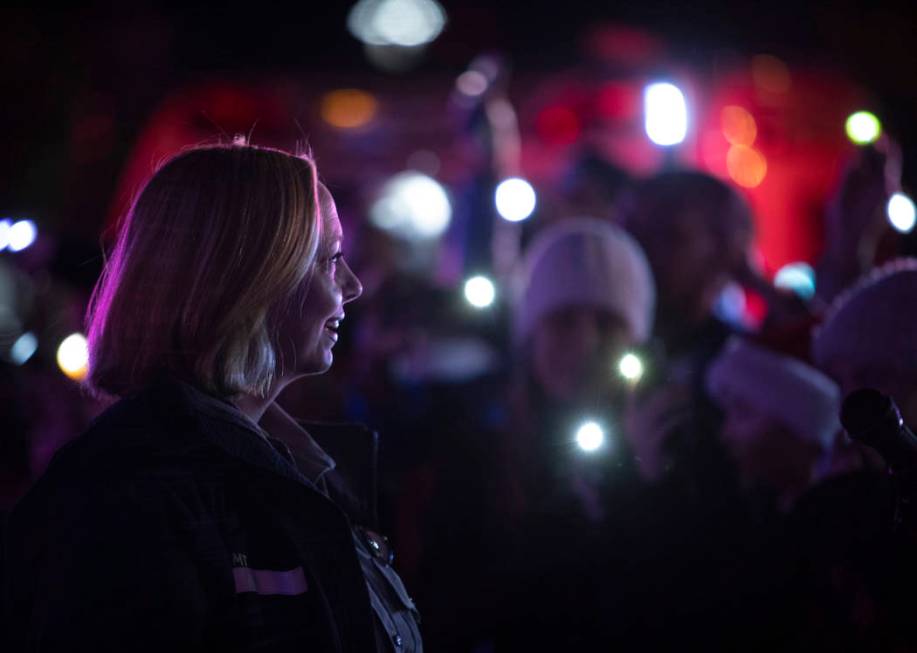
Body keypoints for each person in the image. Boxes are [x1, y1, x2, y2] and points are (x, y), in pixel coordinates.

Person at [1, 143, 422, 652]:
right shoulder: (135, 497)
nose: (352, 286)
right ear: (249, 277)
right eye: (330, 260)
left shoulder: (305, 475)